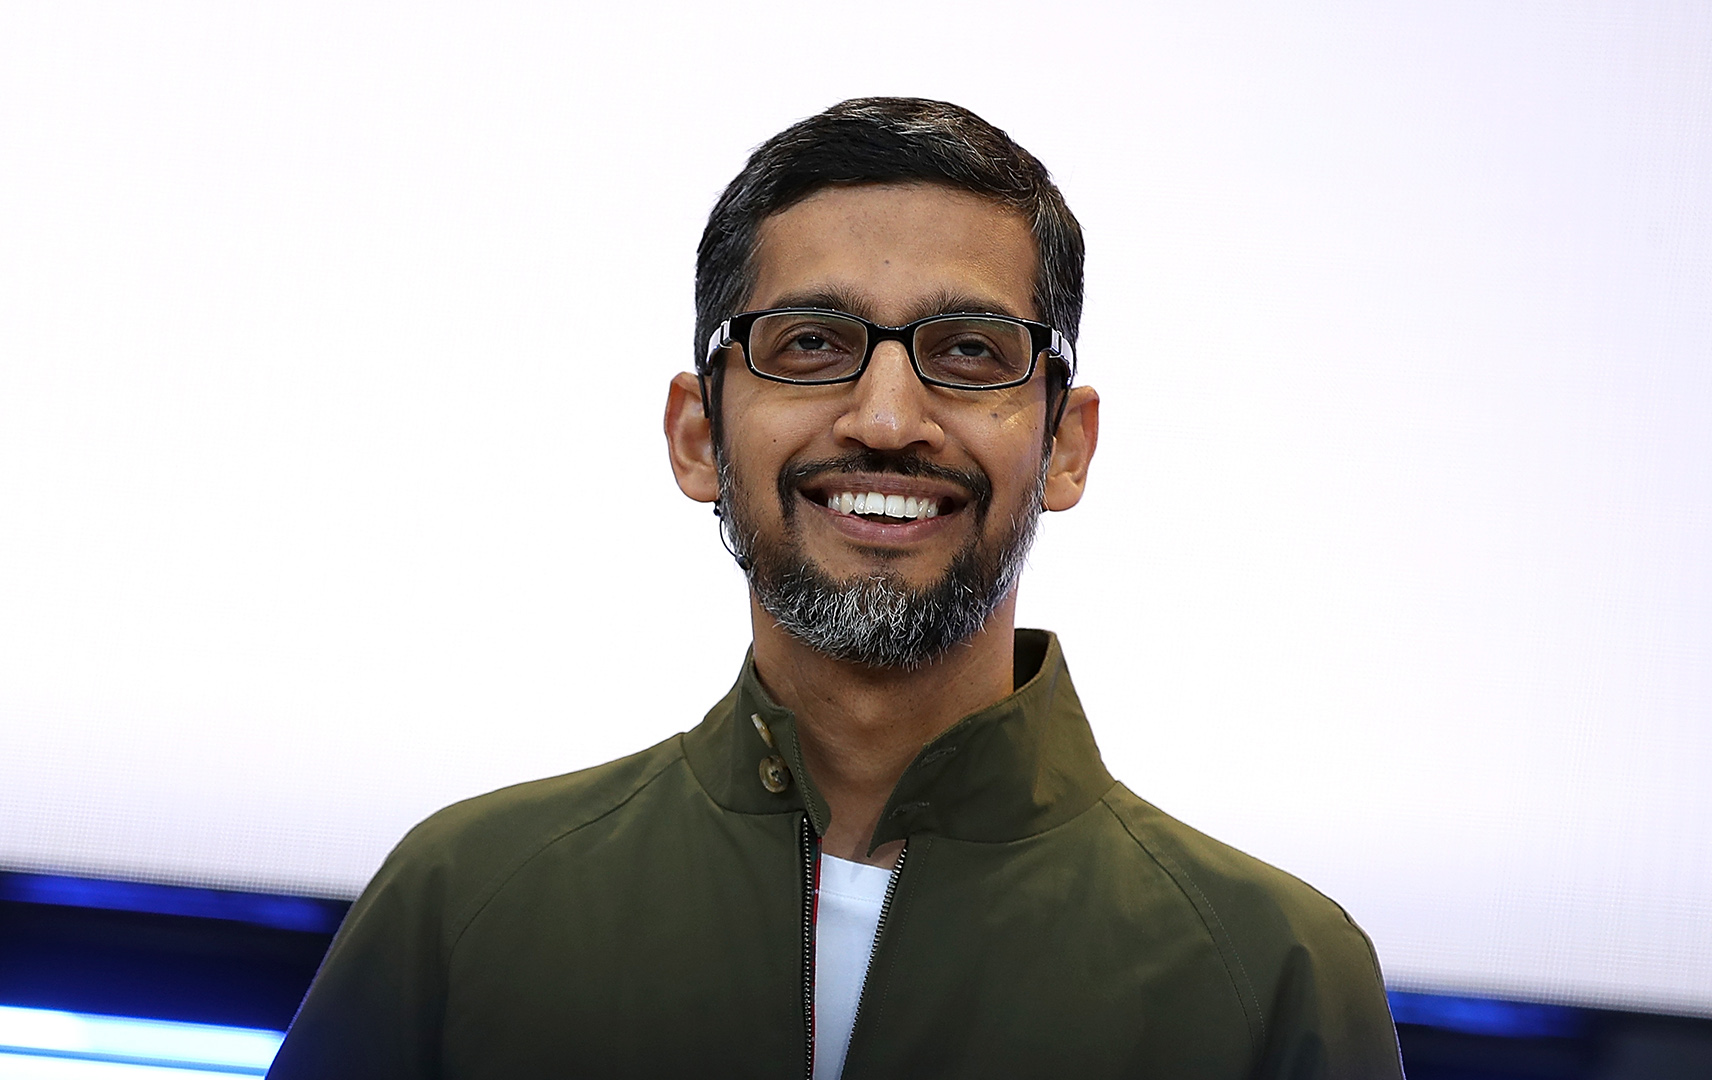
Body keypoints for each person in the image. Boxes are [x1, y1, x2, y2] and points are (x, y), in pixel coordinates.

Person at [267, 97, 1405, 1080]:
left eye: (968, 352)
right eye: (812, 343)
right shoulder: (466, 907)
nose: (887, 420)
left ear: (1066, 445)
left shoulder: (1274, 979)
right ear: (698, 435)